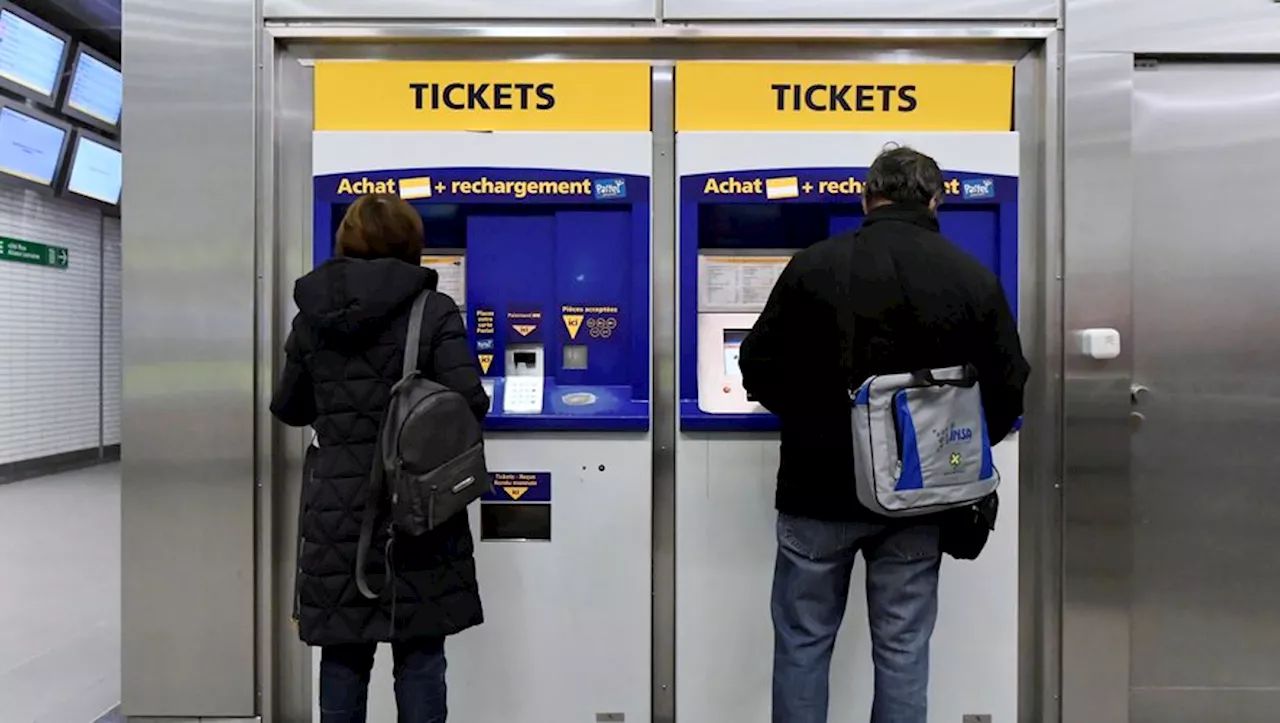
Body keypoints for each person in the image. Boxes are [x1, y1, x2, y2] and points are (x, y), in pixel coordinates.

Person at [738, 146, 1030, 723]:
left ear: (866, 197)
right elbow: (1008, 388)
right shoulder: (970, 277)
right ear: (935, 199)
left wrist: (812, 422)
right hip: (918, 499)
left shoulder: (813, 266)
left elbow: (757, 366)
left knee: (803, 642)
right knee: (902, 647)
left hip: (816, 492)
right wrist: (948, 454)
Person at [271, 194, 489, 723]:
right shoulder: (432, 309)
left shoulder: (313, 316)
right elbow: (470, 402)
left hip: (337, 511)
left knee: (343, 654)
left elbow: (291, 408)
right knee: (418, 656)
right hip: (418, 507)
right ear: (411, 244)